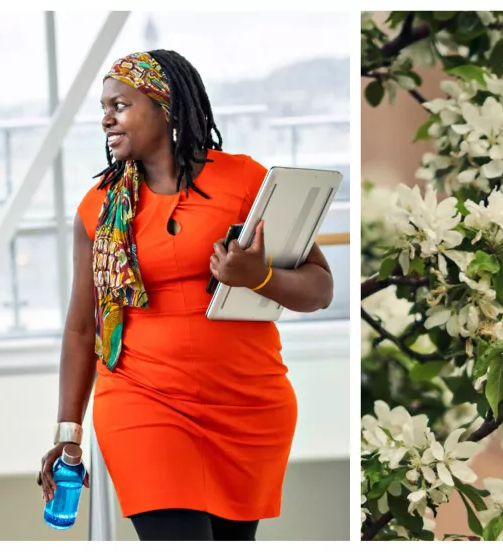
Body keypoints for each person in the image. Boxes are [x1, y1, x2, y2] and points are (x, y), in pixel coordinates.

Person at [37, 50, 335, 541]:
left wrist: (258, 275)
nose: (106, 119)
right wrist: (68, 432)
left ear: (165, 106)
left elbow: (319, 289)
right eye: (104, 108)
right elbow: (81, 326)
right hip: (141, 401)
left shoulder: (242, 181)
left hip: (247, 407)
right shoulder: (97, 209)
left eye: (120, 105)